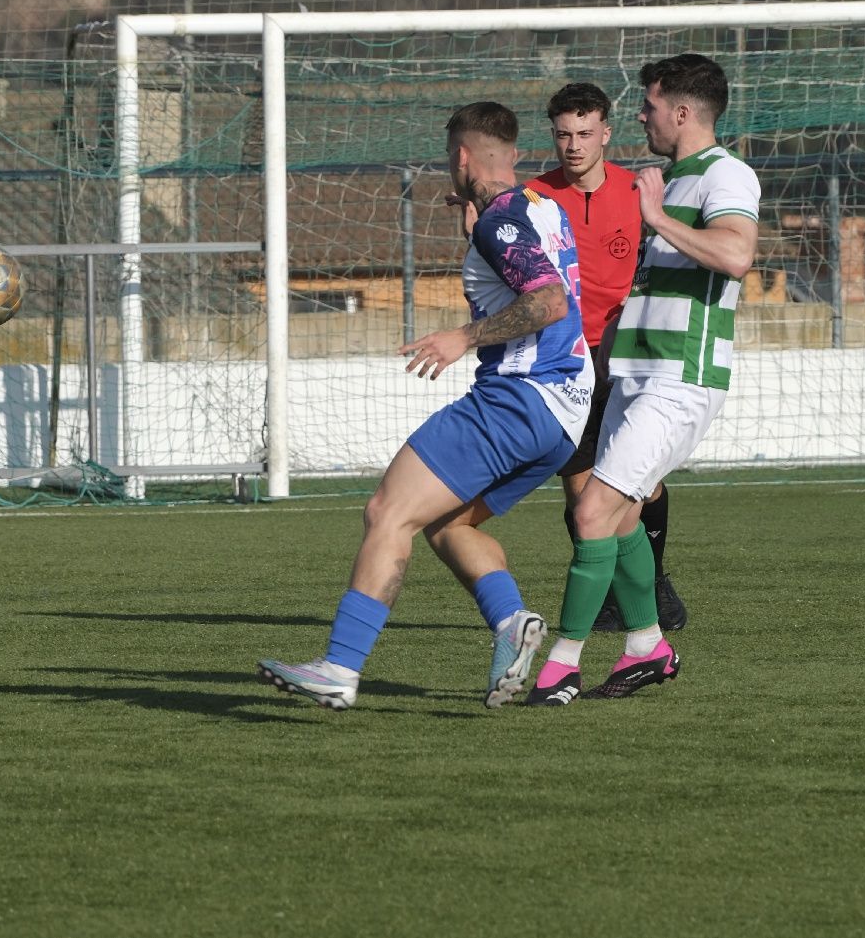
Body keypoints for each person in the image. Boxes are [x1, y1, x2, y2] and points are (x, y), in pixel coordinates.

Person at [257, 102, 592, 711]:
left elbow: (547, 302)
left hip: (518, 398)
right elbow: (539, 270)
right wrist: (480, 231)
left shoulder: (499, 224)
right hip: (565, 412)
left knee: (389, 511)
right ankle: (511, 621)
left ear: (462, 158)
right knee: (447, 523)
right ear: (511, 155)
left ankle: (339, 668)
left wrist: (463, 336)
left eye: (449, 158)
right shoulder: (543, 208)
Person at [531, 54, 760, 705]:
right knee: (622, 517)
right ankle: (647, 647)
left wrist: (660, 221)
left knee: (592, 509)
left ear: (681, 113)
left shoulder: (726, 173)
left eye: (650, 104)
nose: (642, 115)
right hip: (636, 372)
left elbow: (738, 254)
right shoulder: (666, 179)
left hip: (680, 377)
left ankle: (561, 665)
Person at [523, 82, 684, 649]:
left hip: (626, 355)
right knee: (580, 491)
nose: (573, 144)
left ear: (606, 134)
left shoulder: (637, 190)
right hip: (565, 360)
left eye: (585, 133)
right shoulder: (533, 198)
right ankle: (618, 595)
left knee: (643, 483)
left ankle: (654, 583)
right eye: (564, 134)